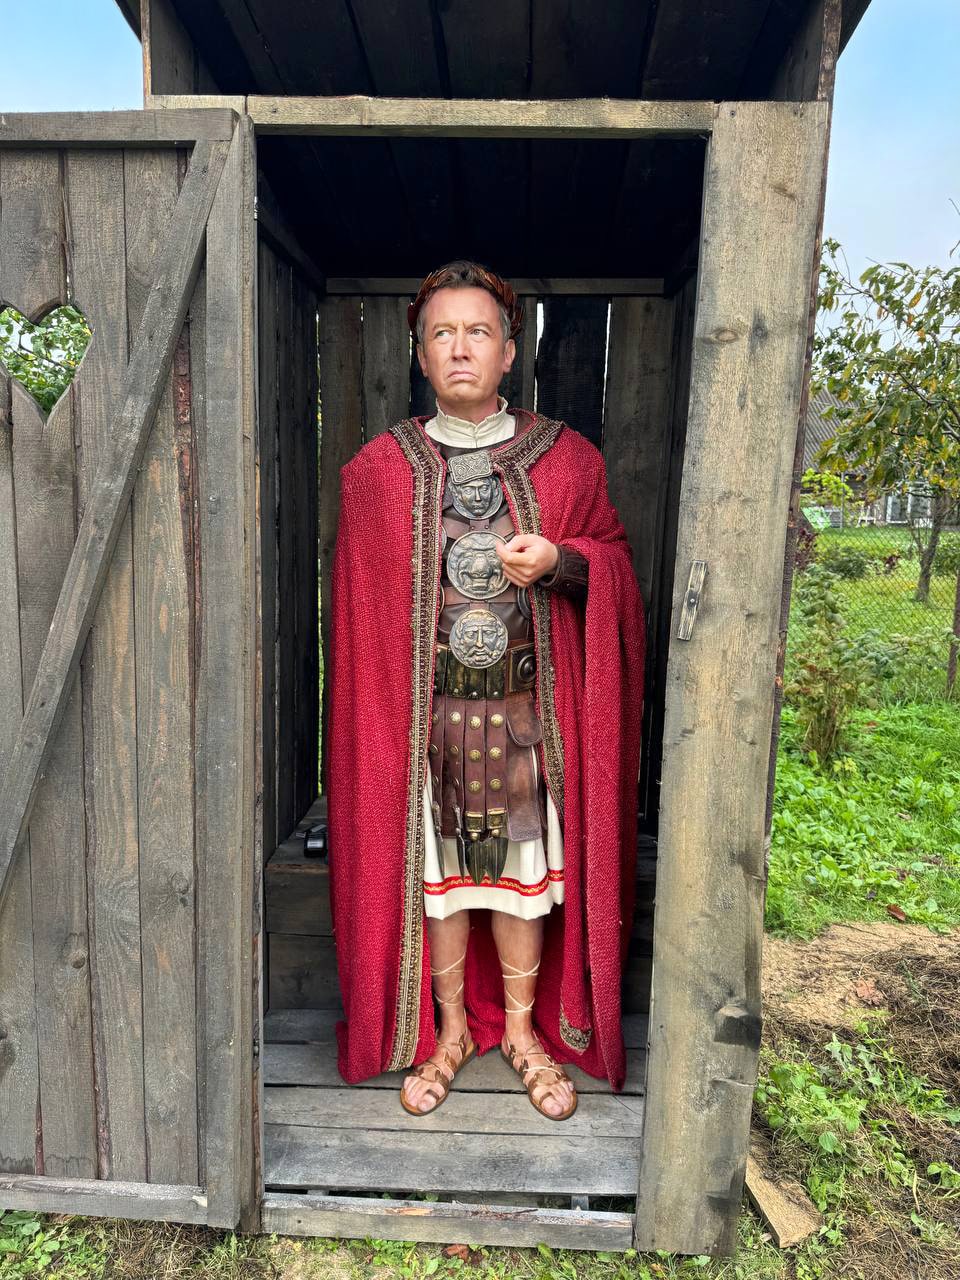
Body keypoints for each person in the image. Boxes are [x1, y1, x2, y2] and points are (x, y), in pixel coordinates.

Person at [326, 261, 646, 1122]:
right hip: (421, 726)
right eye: (442, 333)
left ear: (509, 352)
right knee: (439, 879)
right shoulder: (378, 474)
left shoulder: (568, 461)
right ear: (421, 354)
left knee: (521, 876)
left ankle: (524, 1034)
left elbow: (615, 569)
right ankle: (450, 1033)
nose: (460, 348)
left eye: (478, 332)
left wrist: (564, 561)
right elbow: (363, 628)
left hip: (525, 722)